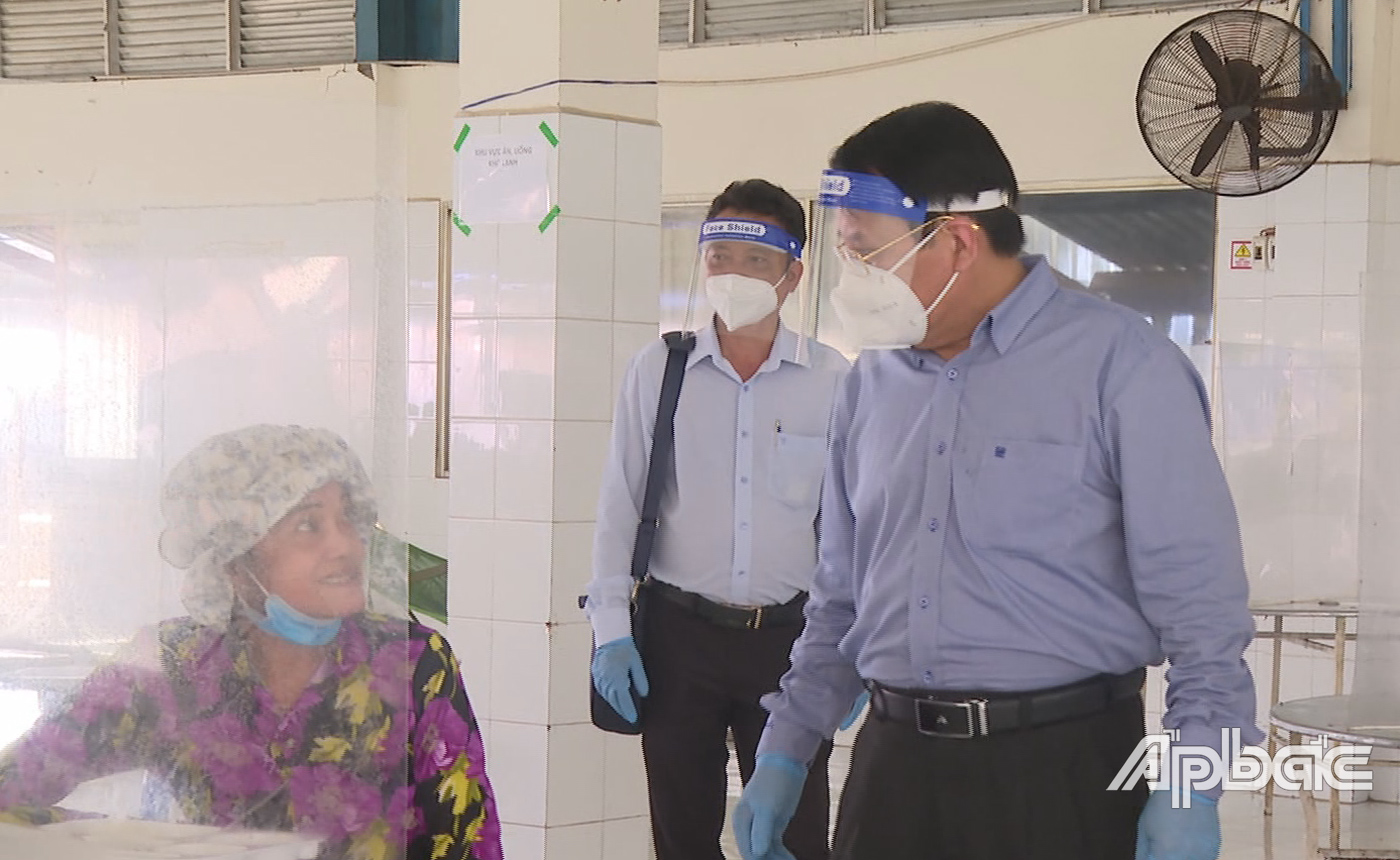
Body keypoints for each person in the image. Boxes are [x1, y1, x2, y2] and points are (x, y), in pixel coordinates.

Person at [733, 102, 1261, 860]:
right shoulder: (871, 384)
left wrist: (1191, 787)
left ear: (955, 240)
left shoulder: (1122, 368)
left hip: (1063, 774)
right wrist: (786, 746)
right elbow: (841, 598)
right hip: (893, 775)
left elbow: (1204, 621)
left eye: (866, 254)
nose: (853, 281)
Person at [0, 424, 503, 860]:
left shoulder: (411, 663)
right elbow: (13, 787)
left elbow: (465, 843)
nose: (344, 545)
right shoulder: (172, 662)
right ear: (235, 562)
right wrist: (135, 844)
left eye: (349, 519)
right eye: (308, 525)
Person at [586, 179, 852, 860]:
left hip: (789, 643)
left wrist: (856, 648)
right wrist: (611, 632)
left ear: (793, 275)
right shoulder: (660, 369)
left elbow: (858, 529)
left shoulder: (833, 380)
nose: (734, 274)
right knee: (681, 837)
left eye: (756, 260)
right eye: (720, 257)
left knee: (792, 837)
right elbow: (620, 503)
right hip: (679, 638)